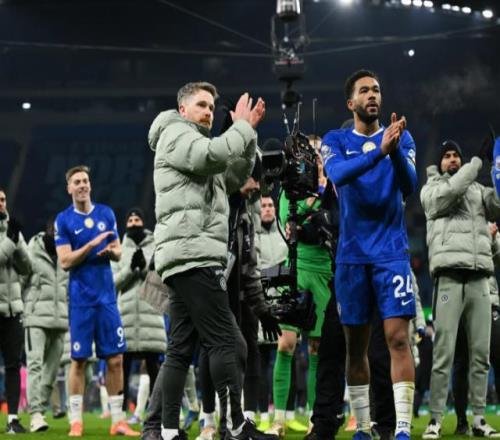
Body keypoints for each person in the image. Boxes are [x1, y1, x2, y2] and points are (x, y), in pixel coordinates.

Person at [148, 81, 273, 440]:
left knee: (180, 349)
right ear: (183, 109)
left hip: (188, 255)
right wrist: (242, 127)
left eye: (211, 107)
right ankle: (235, 426)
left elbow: (233, 177)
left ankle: (168, 431)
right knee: (226, 342)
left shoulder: (195, 143)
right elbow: (212, 156)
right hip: (195, 254)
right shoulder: (176, 133)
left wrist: (248, 136)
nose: (207, 112)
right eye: (201, 105)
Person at [320, 69, 417, 440]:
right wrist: (380, 152)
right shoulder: (336, 139)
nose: (372, 95)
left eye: (376, 89)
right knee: (356, 347)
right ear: (351, 102)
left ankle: (403, 428)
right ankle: (362, 428)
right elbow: (337, 175)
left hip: (391, 253)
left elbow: (409, 185)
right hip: (352, 257)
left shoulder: (400, 136)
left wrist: (394, 151)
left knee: (397, 339)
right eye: (364, 90)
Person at [420, 141, 500, 439]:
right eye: (447, 156)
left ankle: (478, 418)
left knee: (481, 354)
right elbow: (450, 193)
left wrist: (497, 171)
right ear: (439, 163)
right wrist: (476, 162)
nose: (453, 160)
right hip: (449, 277)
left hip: (479, 277)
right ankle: (435, 419)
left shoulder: (479, 191)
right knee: (443, 354)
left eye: (457, 155)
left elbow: (498, 206)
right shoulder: (432, 189)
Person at [55, 165, 140, 437]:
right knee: (79, 360)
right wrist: (91, 246)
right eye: (77, 182)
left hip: (107, 299)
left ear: (90, 185)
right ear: (69, 188)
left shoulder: (106, 214)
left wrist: (112, 253)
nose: (82, 185)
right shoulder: (63, 220)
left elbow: (117, 250)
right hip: (81, 300)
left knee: (115, 359)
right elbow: (65, 261)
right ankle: (76, 421)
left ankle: (118, 421)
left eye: (85, 181)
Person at [112, 207, 166, 422]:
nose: (134, 223)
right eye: (130, 220)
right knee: (123, 366)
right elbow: (113, 282)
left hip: (150, 313)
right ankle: (121, 415)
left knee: (153, 366)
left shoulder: (156, 246)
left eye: (137, 219)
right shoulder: (118, 249)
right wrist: (129, 270)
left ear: (144, 222)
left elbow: (162, 280)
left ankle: (156, 413)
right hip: (126, 315)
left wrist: (143, 269)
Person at [24, 218, 68, 432]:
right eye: (54, 230)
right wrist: (25, 305)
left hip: (60, 319)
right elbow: (21, 278)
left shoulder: (67, 253)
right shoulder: (32, 249)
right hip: (36, 317)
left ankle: (39, 409)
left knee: (51, 371)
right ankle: (35, 414)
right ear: (47, 230)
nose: (56, 234)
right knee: (34, 365)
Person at [0, 187, 31, 434]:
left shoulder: (13, 231)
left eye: (2, 199)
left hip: (13, 310)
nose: (0, 203)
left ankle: (12, 419)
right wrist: (11, 242)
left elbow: (27, 267)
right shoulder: (11, 236)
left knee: (13, 365)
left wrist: (16, 241)